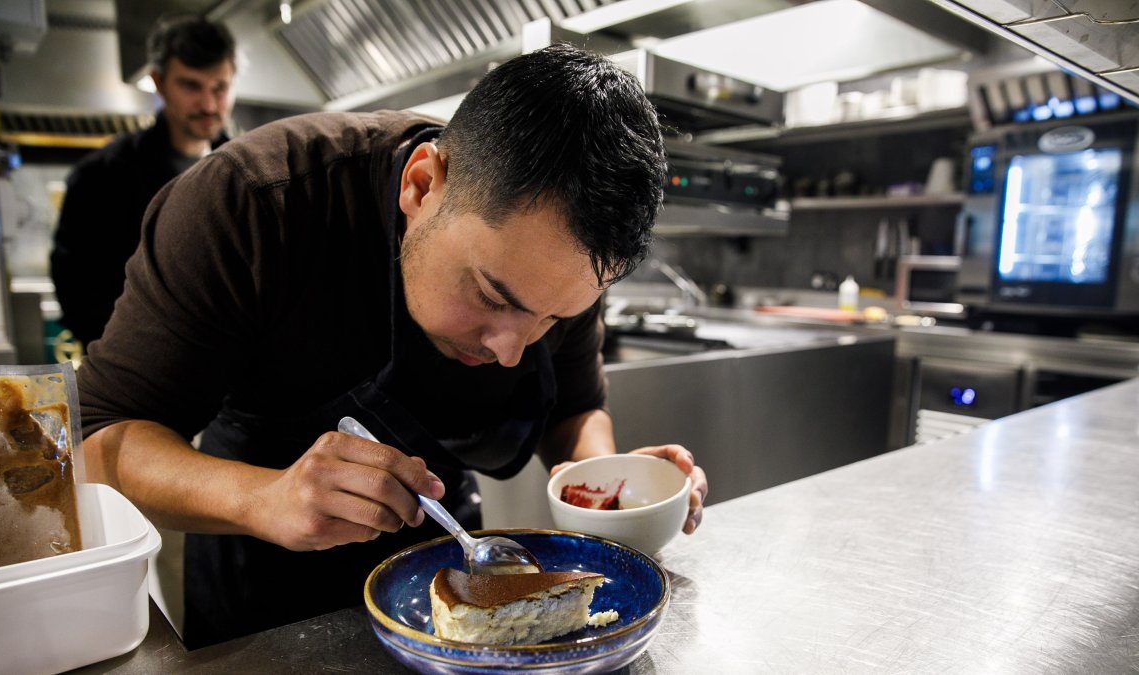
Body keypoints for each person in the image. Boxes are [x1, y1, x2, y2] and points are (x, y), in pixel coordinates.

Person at [77, 43, 709, 648]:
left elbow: (575, 408)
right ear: (421, 184)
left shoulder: (565, 253)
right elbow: (99, 442)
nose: (513, 351)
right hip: (260, 588)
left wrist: (598, 482)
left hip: (459, 570)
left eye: (552, 318)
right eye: (494, 297)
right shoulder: (250, 203)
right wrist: (262, 497)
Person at [50, 14, 236, 346]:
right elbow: (75, 280)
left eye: (219, 87)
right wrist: (116, 358)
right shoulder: (103, 176)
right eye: (191, 85)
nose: (209, 104)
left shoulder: (245, 173)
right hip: (138, 368)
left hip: (229, 369)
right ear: (160, 82)